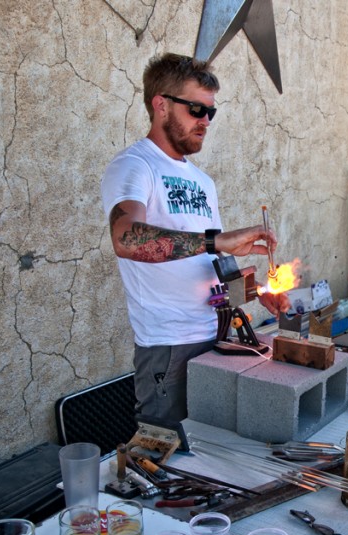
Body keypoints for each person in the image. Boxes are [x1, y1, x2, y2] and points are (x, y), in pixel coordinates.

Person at [101, 53, 289, 429]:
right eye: (195, 109)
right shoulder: (136, 166)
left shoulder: (203, 182)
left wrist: (255, 293)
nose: (204, 121)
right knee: (167, 457)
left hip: (218, 338)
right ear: (161, 105)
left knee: (213, 452)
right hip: (169, 347)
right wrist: (218, 240)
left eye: (210, 113)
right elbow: (126, 240)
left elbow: (209, 263)